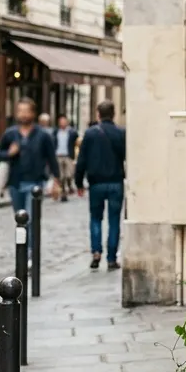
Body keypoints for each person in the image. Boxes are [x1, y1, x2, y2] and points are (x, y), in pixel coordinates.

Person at [0, 99, 58, 256]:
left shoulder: (43, 135)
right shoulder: (10, 134)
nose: (23, 114)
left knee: (30, 219)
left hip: (35, 184)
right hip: (15, 183)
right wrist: (9, 153)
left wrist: (56, 181)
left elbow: (52, 159)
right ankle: (22, 251)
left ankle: (30, 253)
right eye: (20, 111)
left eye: (26, 111)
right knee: (20, 220)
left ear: (33, 113)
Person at [75, 100, 126, 270]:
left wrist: (78, 182)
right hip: (116, 181)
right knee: (114, 221)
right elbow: (127, 157)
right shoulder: (121, 133)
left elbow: (81, 160)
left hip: (96, 183)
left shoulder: (90, 134)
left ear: (98, 114)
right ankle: (111, 258)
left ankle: (96, 252)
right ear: (113, 114)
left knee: (96, 219)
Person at [53, 114, 78, 203]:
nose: (63, 123)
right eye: (61, 122)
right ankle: (64, 193)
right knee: (61, 176)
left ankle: (69, 184)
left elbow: (76, 141)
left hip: (68, 156)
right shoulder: (55, 132)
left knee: (69, 174)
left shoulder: (72, 132)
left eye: (64, 121)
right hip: (58, 155)